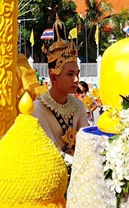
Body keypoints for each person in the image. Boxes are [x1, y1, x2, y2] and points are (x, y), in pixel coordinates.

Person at [32, 19, 89, 156]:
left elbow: (86, 142)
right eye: (70, 74)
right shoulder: (39, 107)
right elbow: (51, 152)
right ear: (53, 77)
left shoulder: (78, 105)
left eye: (77, 74)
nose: (76, 80)